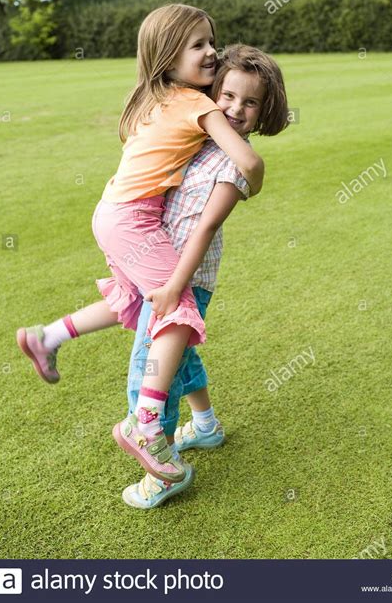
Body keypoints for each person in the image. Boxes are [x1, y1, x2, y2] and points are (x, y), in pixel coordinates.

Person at [16, 4, 264, 485]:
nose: (211, 51)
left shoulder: (152, 97)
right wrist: (257, 175)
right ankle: (145, 423)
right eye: (198, 45)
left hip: (113, 212)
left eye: (211, 41)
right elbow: (246, 162)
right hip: (134, 219)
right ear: (168, 56)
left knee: (133, 300)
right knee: (175, 308)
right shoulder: (198, 105)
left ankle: (49, 336)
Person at [122, 44, 289, 508]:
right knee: (182, 359)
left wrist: (175, 285)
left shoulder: (234, 159)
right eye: (228, 96)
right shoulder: (204, 139)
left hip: (184, 277)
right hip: (163, 269)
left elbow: (206, 224)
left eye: (250, 102)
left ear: (264, 110)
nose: (235, 109)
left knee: (152, 374)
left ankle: (164, 469)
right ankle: (207, 427)